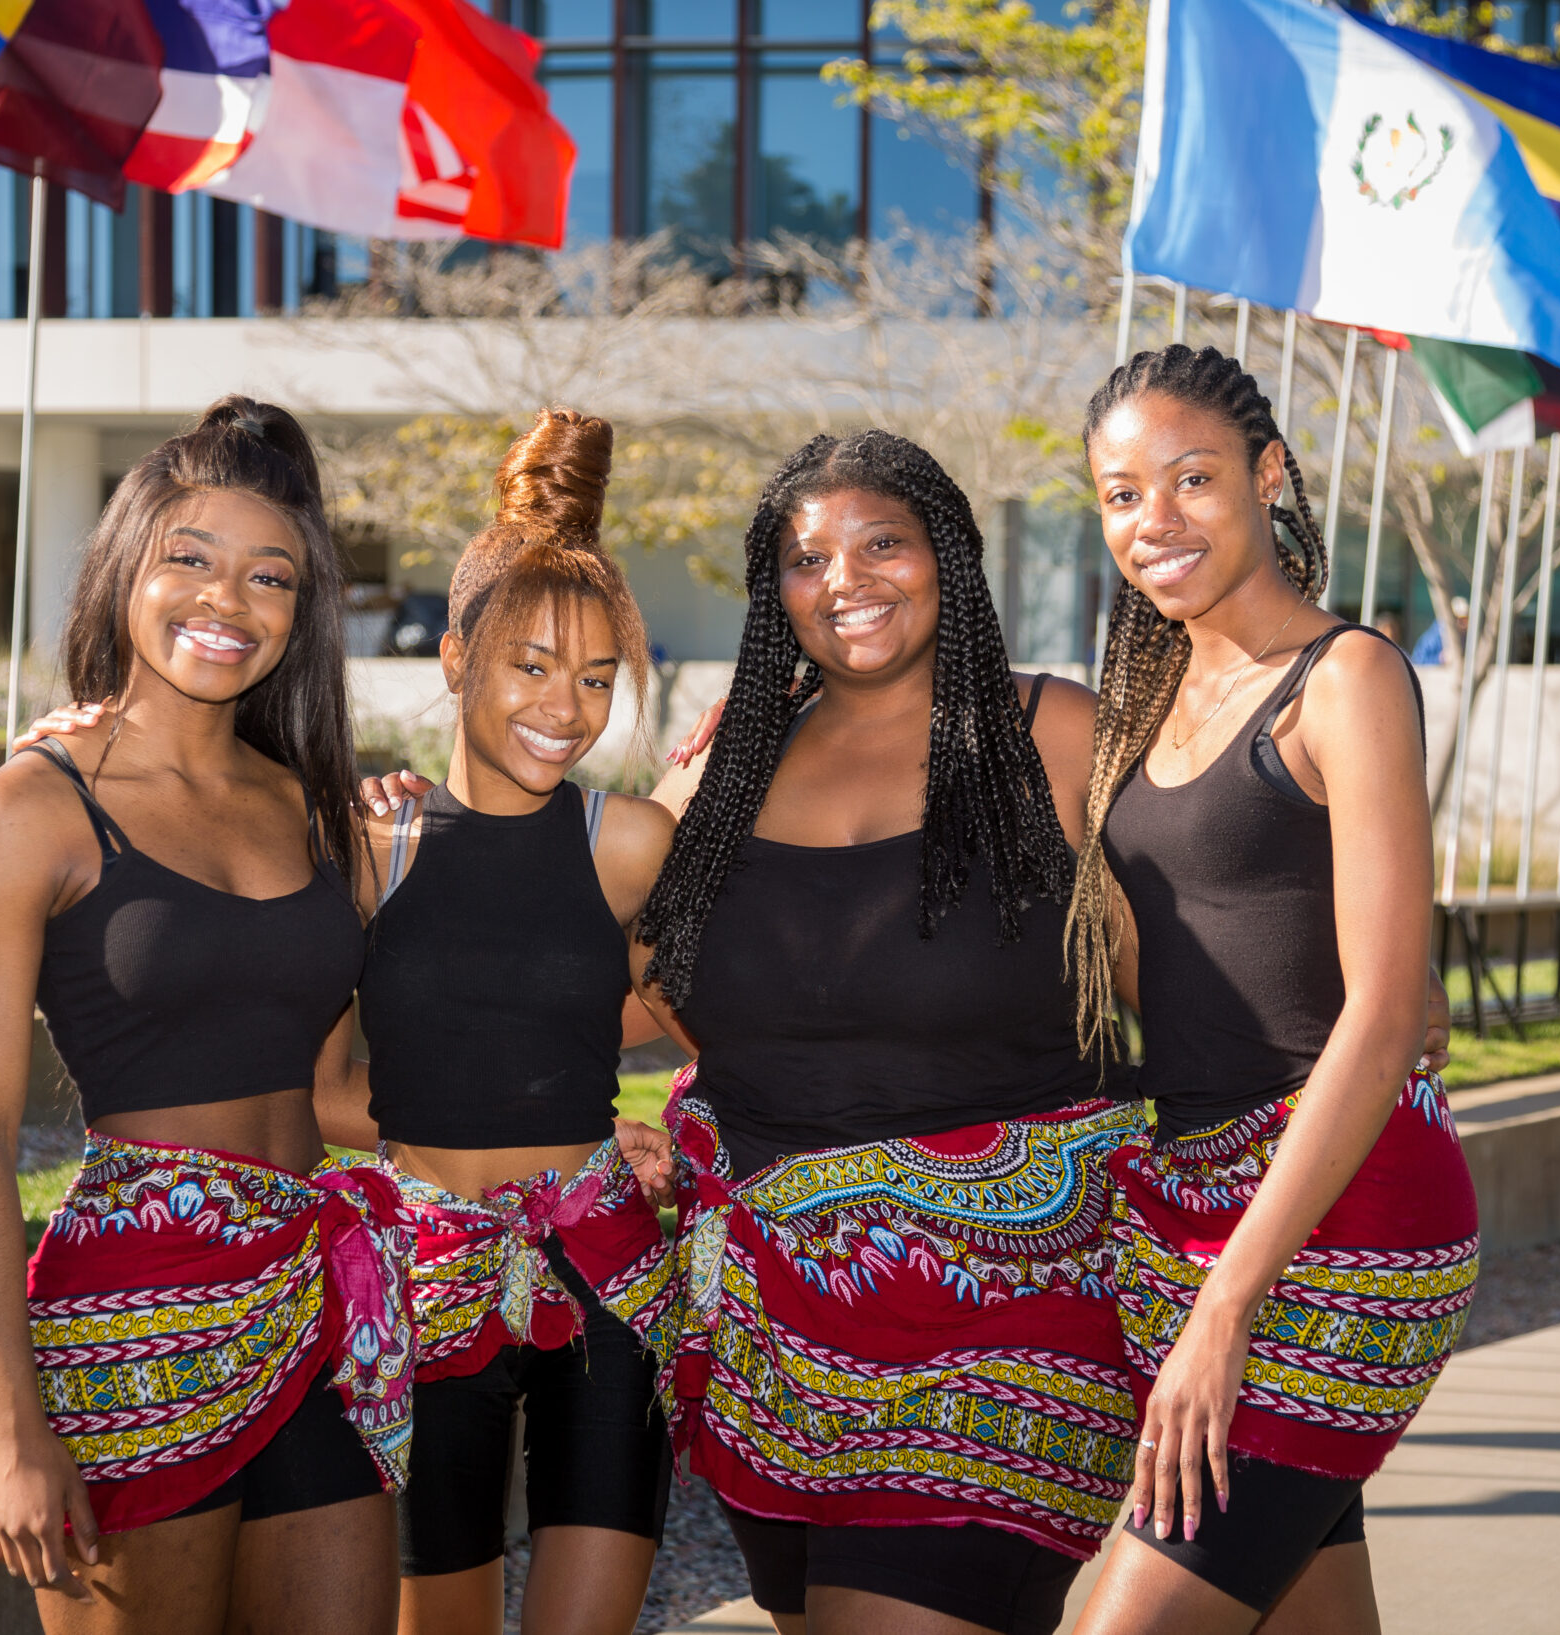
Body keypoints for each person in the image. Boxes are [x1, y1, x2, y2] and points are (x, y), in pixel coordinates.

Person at [631, 429, 1140, 1635]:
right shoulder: (723, 773)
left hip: (1005, 1321)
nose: (845, 578)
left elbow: (1181, 978)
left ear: (949, 559)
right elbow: (613, 995)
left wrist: (1364, 1000)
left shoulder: (1055, 737)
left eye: (881, 544)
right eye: (808, 559)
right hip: (774, 1346)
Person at [0, 398, 413, 1635]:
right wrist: (9, 1434)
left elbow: (331, 1094)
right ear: (125, 570)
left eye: (270, 577)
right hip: (136, 1312)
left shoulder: (315, 808)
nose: (226, 600)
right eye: (188, 560)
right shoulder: (25, 812)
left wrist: (556, 1133)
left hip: (318, 1301)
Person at [1062, 347, 1481, 1635]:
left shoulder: (1344, 678)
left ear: (1269, 475)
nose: (1157, 522)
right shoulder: (1146, 700)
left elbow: (1387, 1012)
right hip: (1191, 1198)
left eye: (1191, 479)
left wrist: (1224, 1311)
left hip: (1338, 1209)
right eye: (1124, 495)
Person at [353, 409, 688, 1635]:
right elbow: (327, 1082)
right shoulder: (369, 846)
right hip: (423, 1282)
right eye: (530, 667)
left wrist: (628, 1112)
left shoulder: (628, 844)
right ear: (453, 659)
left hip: (605, 1275)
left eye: (596, 678)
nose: (568, 706)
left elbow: (689, 1011)